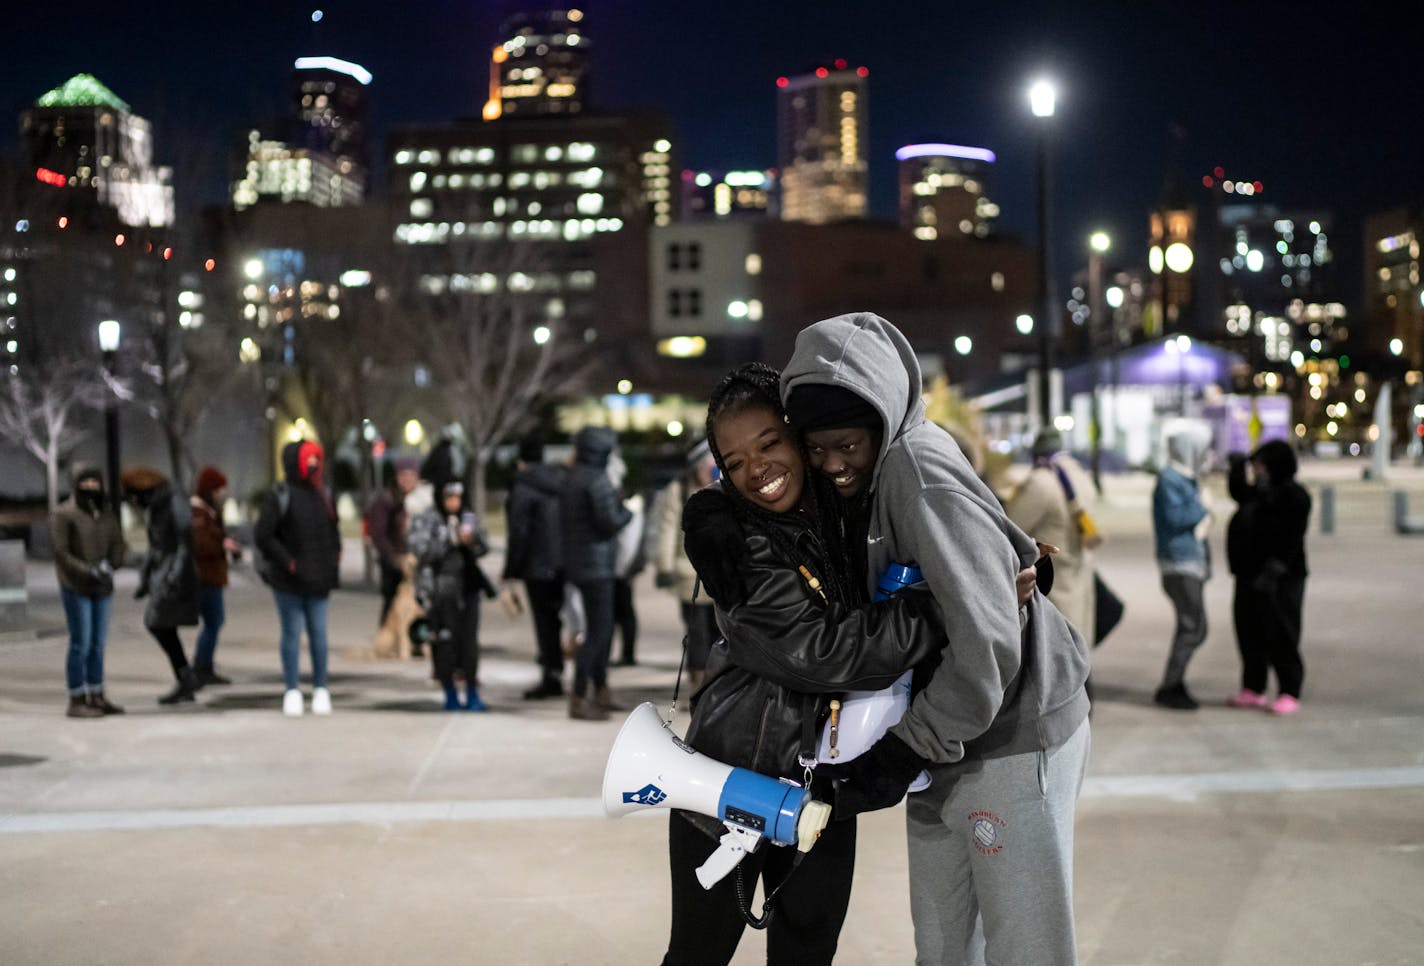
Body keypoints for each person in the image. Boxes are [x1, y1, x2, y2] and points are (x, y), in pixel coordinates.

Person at [782, 312, 1092, 966]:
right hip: (941, 737)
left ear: (881, 422)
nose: (832, 464)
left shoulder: (914, 471)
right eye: (817, 447)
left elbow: (987, 642)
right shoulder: (863, 484)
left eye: (848, 445)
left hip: (1009, 730)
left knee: (1025, 945)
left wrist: (901, 754)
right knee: (944, 945)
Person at [670, 362, 948, 966]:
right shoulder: (733, 546)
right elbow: (823, 653)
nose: (757, 471)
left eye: (768, 444)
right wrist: (940, 610)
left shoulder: (845, 509)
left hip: (823, 782)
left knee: (808, 950)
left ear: (798, 437)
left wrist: (1006, 559)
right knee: (698, 954)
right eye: (735, 462)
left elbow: (941, 519)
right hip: (729, 778)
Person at [255, 440, 341, 717]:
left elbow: (332, 532)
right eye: (309, 459)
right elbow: (263, 535)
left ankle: (320, 688)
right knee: (291, 634)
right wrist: (288, 562)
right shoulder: (280, 495)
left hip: (319, 581)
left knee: (319, 635)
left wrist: (333, 560)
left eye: (317, 459)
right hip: (288, 582)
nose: (314, 465)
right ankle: (292, 690)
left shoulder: (323, 494)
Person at [1225, 439, 1312, 715]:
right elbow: (1238, 491)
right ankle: (1253, 687)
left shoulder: (1295, 496)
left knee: (1281, 632)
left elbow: (1291, 540)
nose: (1257, 469)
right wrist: (1238, 467)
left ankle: (1289, 689)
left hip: (1281, 578)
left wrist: (1274, 571)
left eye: (1261, 464)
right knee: (1248, 630)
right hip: (1248, 575)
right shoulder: (1259, 492)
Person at [559, 426, 632, 721]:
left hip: (576, 562)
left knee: (596, 629)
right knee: (599, 633)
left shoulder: (571, 477)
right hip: (598, 566)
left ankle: (600, 690)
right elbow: (609, 522)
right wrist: (627, 511)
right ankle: (579, 696)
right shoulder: (597, 480)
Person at [1006, 428, 1098, 645]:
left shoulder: (1041, 482)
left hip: (1053, 585)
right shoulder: (1082, 476)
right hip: (1079, 575)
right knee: (1078, 650)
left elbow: (1012, 526)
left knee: (1055, 653)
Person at [410, 480, 496, 711]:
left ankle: (471, 691)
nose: (454, 503)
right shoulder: (428, 519)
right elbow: (419, 550)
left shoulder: (468, 516)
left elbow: (485, 546)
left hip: (468, 588)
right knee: (445, 642)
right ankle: (449, 692)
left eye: (457, 497)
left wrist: (472, 539)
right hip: (440, 589)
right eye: (449, 497)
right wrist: (448, 539)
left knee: (469, 643)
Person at [50, 466, 127, 717]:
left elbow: (118, 543)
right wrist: (87, 570)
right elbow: (61, 552)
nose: (92, 486)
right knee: (80, 643)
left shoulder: (105, 512)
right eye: (86, 482)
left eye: (96, 481)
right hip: (76, 587)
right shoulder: (64, 513)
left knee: (98, 644)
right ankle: (76, 698)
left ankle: (97, 694)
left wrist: (111, 565)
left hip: (102, 587)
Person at [122, 466, 202, 706]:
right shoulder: (157, 505)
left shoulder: (172, 500)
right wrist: (145, 577)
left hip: (174, 572)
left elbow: (184, 541)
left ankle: (187, 675)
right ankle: (186, 677)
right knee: (161, 624)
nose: (134, 502)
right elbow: (154, 545)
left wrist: (173, 576)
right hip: (163, 572)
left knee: (156, 622)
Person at [502, 434, 568, 700]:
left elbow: (518, 532)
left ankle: (551, 675)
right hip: (563, 564)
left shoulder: (522, 487)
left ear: (521, 460)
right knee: (558, 620)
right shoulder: (561, 481)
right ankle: (558, 673)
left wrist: (511, 567)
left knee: (545, 624)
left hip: (536, 565)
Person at [1150, 431, 1212, 710]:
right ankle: (1171, 685)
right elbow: (1177, 517)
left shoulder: (1184, 477)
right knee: (1192, 626)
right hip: (1179, 562)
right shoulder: (1169, 479)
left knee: (1196, 627)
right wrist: (1202, 506)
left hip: (1189, 561)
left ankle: (1174, 681)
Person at [654, 437, 719, 695]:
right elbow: (668, 528)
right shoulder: (679, 489)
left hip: (718, 575)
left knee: (718, 631)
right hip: (688, 573)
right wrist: (665, 566)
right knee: (696, 632)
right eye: (706, 465)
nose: (710, 470)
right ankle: (698, 684)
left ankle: (716, 682)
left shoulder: (725, 486)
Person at [191, 465, 239, 687]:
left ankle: (204, 665)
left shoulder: (209, 510)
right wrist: (222, 544)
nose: (222, 493)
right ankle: (201, 666)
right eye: (219, 489)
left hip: (212, 576)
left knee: (214, 622)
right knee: (213, 622)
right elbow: (200, 545)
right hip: (205, 577)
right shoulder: (199, 512)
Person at [366, 458, 418, 629]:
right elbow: (378, 534)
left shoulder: (414, 500)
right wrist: (394, 559)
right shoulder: (387, 500)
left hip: (410, 559)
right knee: (392, 601)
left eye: (412, 476)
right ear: (397, 477)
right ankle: (386, 638)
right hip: (393, 560)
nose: (408, 480)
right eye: (404, 475)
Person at [608, 452, 646, 667]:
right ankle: (626, 653)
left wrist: (628, 568)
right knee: (624, 611)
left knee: (623, 611)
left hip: (622, 566)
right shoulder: (623, 496)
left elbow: (630, 538)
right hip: (623, 565)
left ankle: (627, 653)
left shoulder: (623, 500)